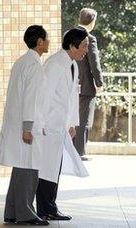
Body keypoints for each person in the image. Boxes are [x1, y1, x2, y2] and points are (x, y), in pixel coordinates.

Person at [0, 25, 49, 226]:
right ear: (40, 42)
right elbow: (30, 99)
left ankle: (11, 211)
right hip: (27, 124)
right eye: (46, 38)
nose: (48, 41)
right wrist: (28, 127)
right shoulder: (33, 65)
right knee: (29, 168)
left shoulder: (22, 61)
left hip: (20, 122)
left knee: (21, 167)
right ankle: (25, 213)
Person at [36, 28, 89, 221]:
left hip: (60, 125)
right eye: (84, 46)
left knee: (54, 166)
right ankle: (45, 208)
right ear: (73, 45)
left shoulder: (72, 64)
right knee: (47, 167)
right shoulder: (55, 64)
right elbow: (44, 96)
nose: (86, 50)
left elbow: (72, 96)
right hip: (49, 125)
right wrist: (40, 123)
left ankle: (50, 206)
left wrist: (72, 123)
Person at [74, 8, 103, 160]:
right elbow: (94, 63)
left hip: (71, 83)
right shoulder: (89, 38)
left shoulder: (69, 35)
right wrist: (99, 83)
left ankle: (72, 151)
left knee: (73, 117)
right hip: (86, 85)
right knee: (84, 119)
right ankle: (80, 152)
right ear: (92, 21)